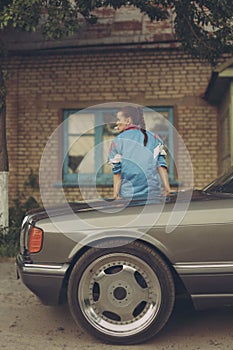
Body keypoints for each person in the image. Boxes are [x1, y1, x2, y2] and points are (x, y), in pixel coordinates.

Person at [108, 106, 170, 201]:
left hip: (128, 196)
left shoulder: (117, 141)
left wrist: (116, 195)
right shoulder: (154, 138)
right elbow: (161, 165)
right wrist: (167, 189)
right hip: (152, 194)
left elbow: (117, 171)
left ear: (128, 120)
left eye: (118, 119)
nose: (117, 123)